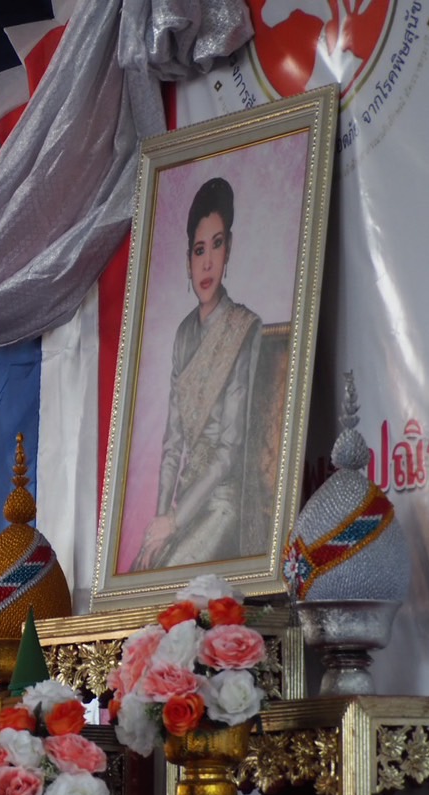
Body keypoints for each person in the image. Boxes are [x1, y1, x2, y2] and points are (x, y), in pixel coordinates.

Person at [133, 176, 264, 571]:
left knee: (170, 579)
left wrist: (175, 520)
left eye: (217, 245)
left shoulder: (243, 328)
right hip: (182, 504)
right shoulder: (183, 334)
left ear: (229, 249)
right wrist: (159, 522)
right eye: (199, 249)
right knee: (143, 569)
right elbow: (173, 444)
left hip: (222, 502)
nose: (207, 263)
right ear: (188, 258)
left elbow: (229, 451)